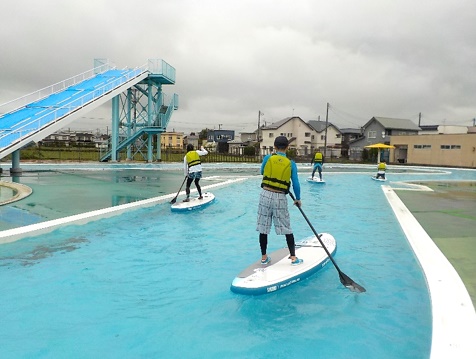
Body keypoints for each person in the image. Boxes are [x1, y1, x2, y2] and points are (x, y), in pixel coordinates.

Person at [256, 136, 303, 266]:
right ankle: (293, 257)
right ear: (287, 147)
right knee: (286, 227)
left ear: (274, 147)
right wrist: (298, 199)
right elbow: (296, 183)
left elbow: (262, 172)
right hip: (280, 197)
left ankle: (264, 257)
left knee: (263, 227)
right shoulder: (291, 163)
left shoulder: (267, 158)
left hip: (265, 195)